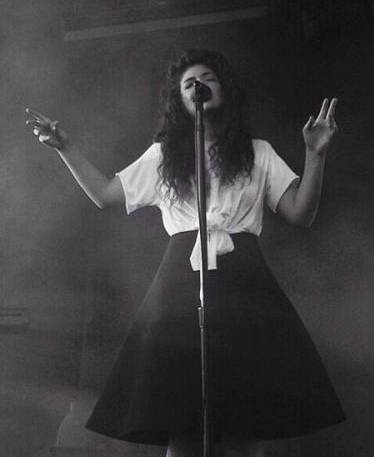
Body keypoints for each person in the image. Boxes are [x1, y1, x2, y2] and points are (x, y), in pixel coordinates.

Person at [26, 48, 345, 457]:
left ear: (223, 89)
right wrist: (64, 148)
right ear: (179, 101)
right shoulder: (163, 156)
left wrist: (315, 156)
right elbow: (106, 194)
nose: (199, 85)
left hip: (245, 281)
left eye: (208, 77)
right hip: (181, 281)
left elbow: (301, 213)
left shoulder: (258, 152)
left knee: (248, 419)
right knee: (181, 415)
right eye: (188, 82)